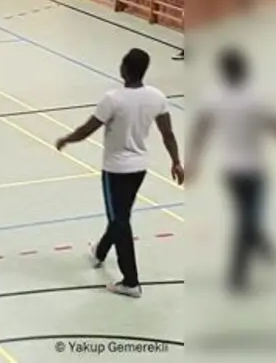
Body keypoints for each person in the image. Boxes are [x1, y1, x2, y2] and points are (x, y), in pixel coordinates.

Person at [54, 48, 184, 298]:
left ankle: (131, 282)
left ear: (124, 68)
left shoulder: (113, 99)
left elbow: (87, 129)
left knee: (119, 220)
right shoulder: (156, 97)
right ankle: (99, 253)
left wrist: (66, 139)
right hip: (139, 169)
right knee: (120, 215)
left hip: (116, 170)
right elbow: (168, 134)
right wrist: (176, 161)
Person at [186, 47, 276, 293]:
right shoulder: (255, 99)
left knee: (246, 217)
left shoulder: (214, 98)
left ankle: (261, 244)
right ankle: (237, 273)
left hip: (232, 172)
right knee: (246, 220)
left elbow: (200, 129)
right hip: (254, 171)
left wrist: (194, 161)